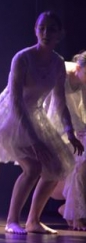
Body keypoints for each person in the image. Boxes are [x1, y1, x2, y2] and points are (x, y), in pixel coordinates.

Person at [0, 11, 84, 234]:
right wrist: (33, 140)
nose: (45, 33)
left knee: (58, 166)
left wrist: (69, 132)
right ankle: (11, 221)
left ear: (60, 34)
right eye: (41, 28)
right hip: (12, 117)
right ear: (35, 30)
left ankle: (33, 221)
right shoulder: (23, 58)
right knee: (33, 167)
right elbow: (15, 101)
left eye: (51, 29)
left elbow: (60, 102)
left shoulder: (57, 63)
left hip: (35, 115)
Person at [45, 52, 86, 231]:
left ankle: (70, 209)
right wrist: (76, 130)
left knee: (80, 166)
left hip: (78, 125)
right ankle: (74, 215)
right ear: (79, 68)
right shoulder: (63, 72)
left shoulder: (82, 80)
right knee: (78, 166)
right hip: (58, 121)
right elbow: (61, 107)